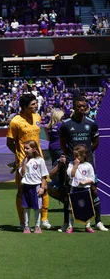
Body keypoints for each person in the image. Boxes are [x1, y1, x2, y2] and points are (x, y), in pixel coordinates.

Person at [59, 96, 106, 231]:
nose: (81, 109)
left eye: (83, 106)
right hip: (72, 163)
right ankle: (66, 223)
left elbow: (96, 142)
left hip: (88, 163)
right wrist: (70, 155)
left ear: (86, 107)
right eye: (79, 106)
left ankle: (98, 222)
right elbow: (62, 143)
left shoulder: (91, 123)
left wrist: (87, 154)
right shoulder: (66, 124)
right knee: (69, 191)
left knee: (93, 190)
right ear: (74, 107)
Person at [6, 93, 51, 230]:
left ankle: (44, 219)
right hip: (23, 161)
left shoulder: (37, 117)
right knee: (22, 190)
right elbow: (9, 142)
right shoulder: (15, 121)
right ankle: (22, 223)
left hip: (39, 159)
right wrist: (19, 155)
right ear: (24, 107)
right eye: (32, 104)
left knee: (44, 188)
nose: (36, 106)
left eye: (36, 103)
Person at [19, 140, 49, 234]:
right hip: (26, 186)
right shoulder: (25, 160)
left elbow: (44, 176)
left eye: (27, 148)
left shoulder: (40, 160)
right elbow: (22, 174)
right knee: (26, 207)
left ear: (34, 149)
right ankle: (26, 226)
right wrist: (24, 163)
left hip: (36, 187)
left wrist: (42, 188)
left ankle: (37, 226)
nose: (25, 150)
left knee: (37, 208)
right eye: (24, 149)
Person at [66, 145, 96, 233]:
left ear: (84, 155)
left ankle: (88, 225)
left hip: (85, 189)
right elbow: (71, 175)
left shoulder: (88, 165)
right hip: (74, 189)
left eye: (78, 156)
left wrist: (85, 182)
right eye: (74, 156)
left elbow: (92, 178)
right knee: (71, 208)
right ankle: (70, 226)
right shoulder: (71, 164)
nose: (76, 158)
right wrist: (75, 165)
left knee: (87, 207)